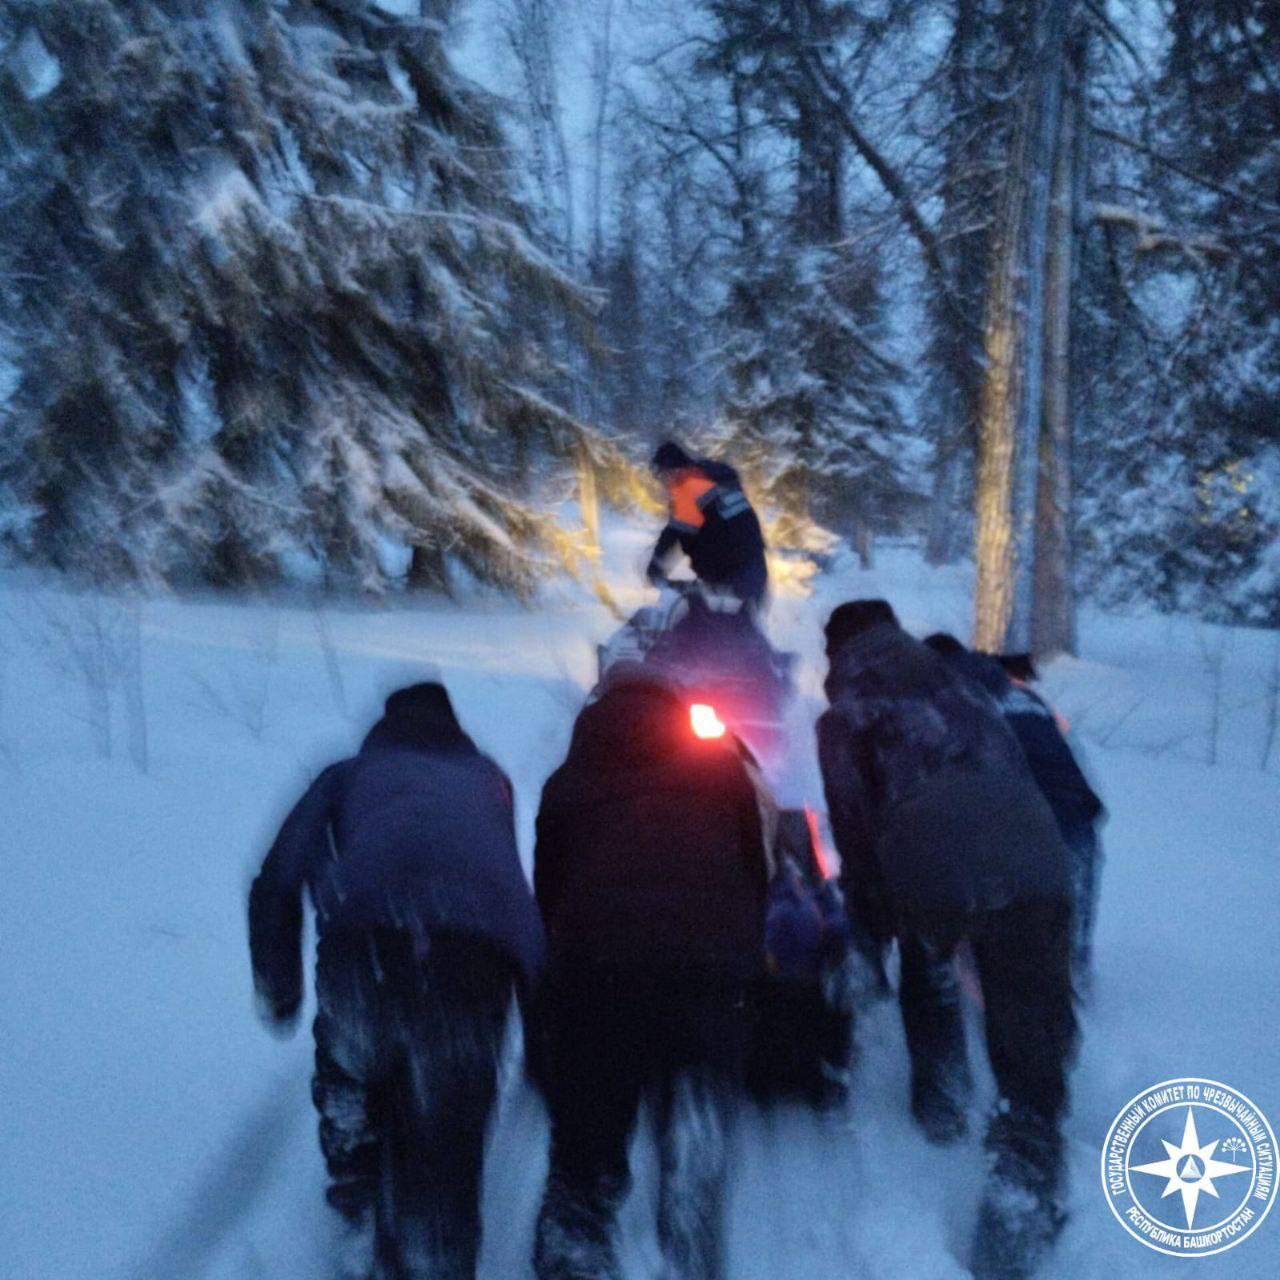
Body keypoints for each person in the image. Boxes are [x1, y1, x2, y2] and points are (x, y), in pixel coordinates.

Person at [248, 681, 544, 1280]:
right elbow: (504, 886)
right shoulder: (488, 781)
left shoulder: (348, 773)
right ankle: (433, 1249)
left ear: (383, 731)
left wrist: (281, 990)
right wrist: (544, 1021)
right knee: (449, 1134)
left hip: (366, 954)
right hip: (475, 966)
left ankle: (359, 1202)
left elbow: (278, 876)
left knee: (352, 1071)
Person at [816, 602, 1077, 1280]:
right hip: (1035, 848)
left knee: (927, 962)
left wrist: (870, 932)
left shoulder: (845, 717)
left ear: (836, 654)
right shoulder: (961, 686)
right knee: (1025, 1017)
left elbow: (854, 831)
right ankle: (1024, 1177)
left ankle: (942, 1098)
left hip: (927, 851)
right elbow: (1018, 769)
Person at [531, 664, 769, 1280]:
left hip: (600, 964)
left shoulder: (568, 781)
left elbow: (548, 895)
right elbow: (754, 871)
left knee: (589, 1125)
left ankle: (578, 1234)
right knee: (698, 1055)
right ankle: (691, 1125)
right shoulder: (722, 769)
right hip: (709, 959)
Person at [923, 635, 1105, 989]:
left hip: (1018, 825)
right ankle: (1074, 984)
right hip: (1076, 818)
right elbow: (1071, 757)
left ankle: (991, 987)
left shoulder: (951, 703)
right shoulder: (1028, 697)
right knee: (1070, 918)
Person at [645, 440, 768, 612]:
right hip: (756, 577)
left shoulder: (688, 484)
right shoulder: (714, 480)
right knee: (744, 634)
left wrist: (655, 568)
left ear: (672, 469)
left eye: (662, 475)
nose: (663, 483)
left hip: (727, 584)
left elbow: (674, 532)